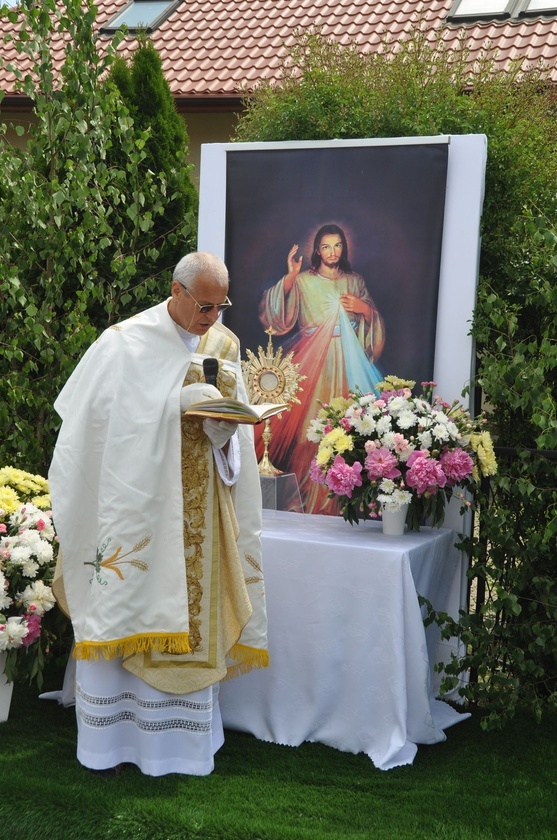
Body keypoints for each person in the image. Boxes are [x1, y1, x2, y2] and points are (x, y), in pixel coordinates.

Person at [49, 252, 268, 777]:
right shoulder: (124, 342)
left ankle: (181, 748)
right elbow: (91, 428)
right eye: (205, 306)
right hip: (136, 511)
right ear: (176, 290)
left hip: (200, 519)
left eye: (220, 306)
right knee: (125, 599)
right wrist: (171, 404)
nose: (213, 317)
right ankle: (113, 743)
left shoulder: (225, 344)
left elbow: (233, 444)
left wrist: (223, 433)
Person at [259, 223, 386, 514]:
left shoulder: (354, 282)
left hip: (349, 365)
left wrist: (364, 309)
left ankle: (343, 502)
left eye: (337, 245)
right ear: (317, 250)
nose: (332, 252)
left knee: (350, 428)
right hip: (311, 364)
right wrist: (290, 277)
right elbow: (277, 317)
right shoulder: (304, 281)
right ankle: (305, 500)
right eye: (326, 246)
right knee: (309, 432)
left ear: (344, 248)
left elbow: (372, 323)